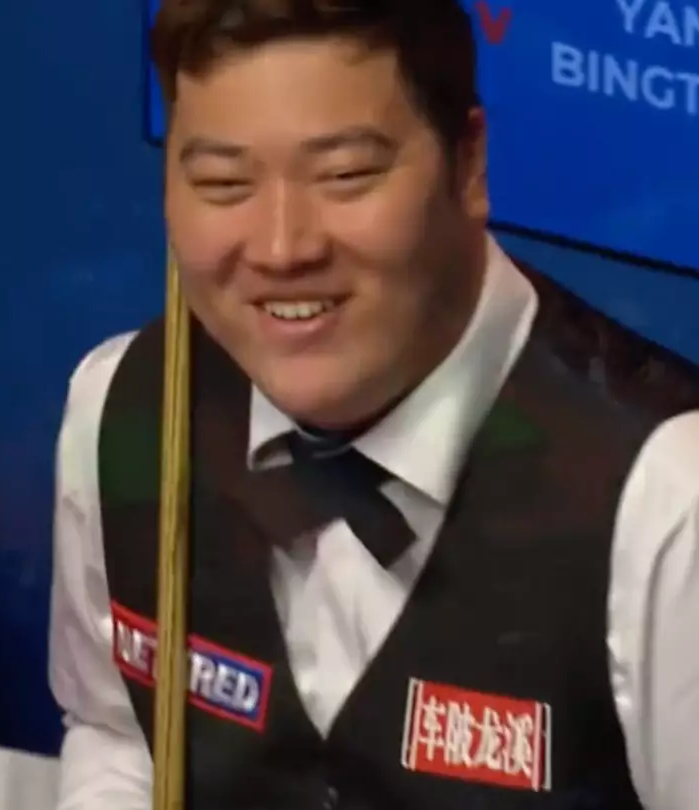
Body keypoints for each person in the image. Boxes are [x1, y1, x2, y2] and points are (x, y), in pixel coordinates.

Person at [46, 0, 699, 808]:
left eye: (346, 176)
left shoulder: (671, 500)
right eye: (223, 183)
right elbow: (117, 733)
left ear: (468, 165)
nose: (283, 247)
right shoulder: (121, 407)